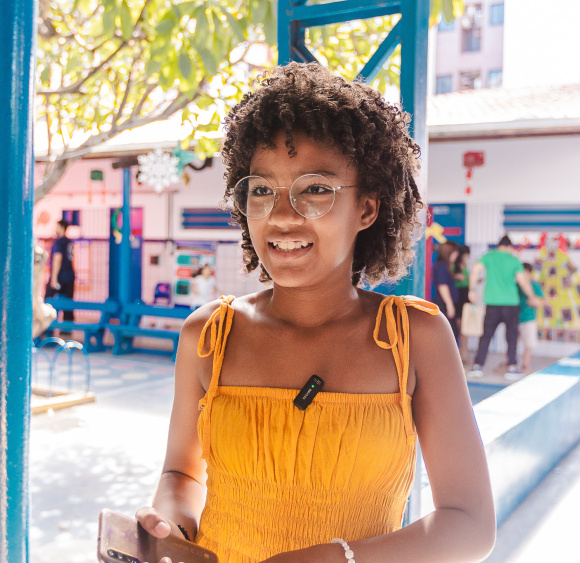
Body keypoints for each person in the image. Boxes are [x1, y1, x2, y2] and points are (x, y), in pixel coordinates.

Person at [134, 63, 495, 563]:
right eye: (262, 190)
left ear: (367, 209)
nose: (283, 215)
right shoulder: (208, 335)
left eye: (316, 190)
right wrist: (169, 526)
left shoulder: (414, 337)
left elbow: (471, 524)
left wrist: (341, 558)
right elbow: (181, 475)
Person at [468, 235, 541, 378]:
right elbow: (523, 282)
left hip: (492, 303)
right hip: (511, 304)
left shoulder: (488, 256)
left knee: (486, 336)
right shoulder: (513, 259)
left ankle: (478, 366)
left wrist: (472, 289)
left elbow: (475, 271)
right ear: (509, 247)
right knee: (512, 337)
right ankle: (511, 368)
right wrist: (532, 297)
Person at [517, 262, 545, 377]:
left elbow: (543, 301)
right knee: (512, 342)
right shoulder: (516, 286)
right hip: (515, 319)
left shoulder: (534, 286)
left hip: (529, 319)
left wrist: (536, 302)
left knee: (529, 344)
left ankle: (525, 364)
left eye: (526, 273)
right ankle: (510, 363)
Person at [47, 219, 75, 322]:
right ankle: (67, 329)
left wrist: (53, 278)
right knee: (68, 303)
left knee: (49, 301)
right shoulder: (69, 242)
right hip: (69, 276)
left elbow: (57, 259)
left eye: (57, 226)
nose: (55, 229)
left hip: (60, 277)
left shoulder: (58, 242)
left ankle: (48, 328)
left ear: (62, 228)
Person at [431, 241, 460, 340]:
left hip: (445, 304)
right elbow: (442, 286)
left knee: (451, 333)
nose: (457, 255)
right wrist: (449, 304)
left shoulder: (444, 266)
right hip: (443, 305)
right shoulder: (441, 266)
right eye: (455, 252)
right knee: (450, 334)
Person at [453, 244, 471, 361]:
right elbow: (460, 279)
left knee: (465, 328)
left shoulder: (465, 265)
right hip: (459, 296)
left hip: (466, 296)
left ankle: (464, 354)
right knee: (459, 327)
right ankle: (459, 354)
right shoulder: (455, 265)